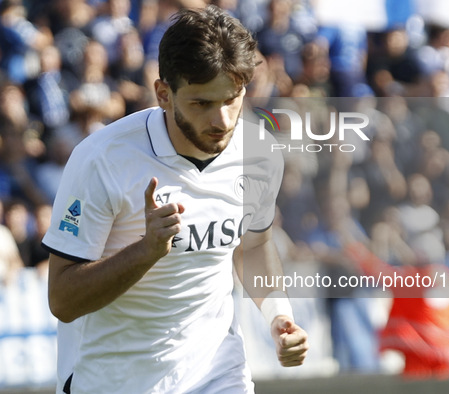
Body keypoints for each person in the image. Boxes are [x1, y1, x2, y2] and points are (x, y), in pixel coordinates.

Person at [42, 5, 309, 393]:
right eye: (201, 103)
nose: (222, 120)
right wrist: (146, 250)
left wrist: (278, 314)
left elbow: (253, 246)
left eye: (231, 99)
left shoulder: (259, 152)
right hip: (114, 380)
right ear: (163, 94)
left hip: (218, 374)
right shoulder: (102, 158)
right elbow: (63, 300)